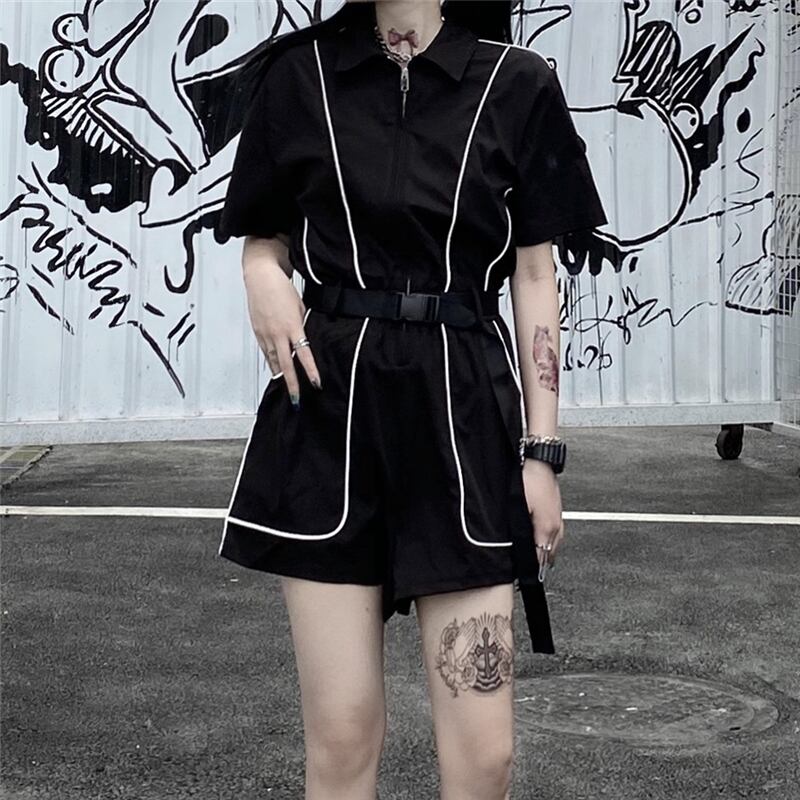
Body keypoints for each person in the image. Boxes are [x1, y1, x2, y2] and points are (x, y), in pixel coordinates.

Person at [216, 1, 608, 797]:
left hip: (464, 419)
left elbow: (535, 276)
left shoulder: (517, 81)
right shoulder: (299, 76)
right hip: (330, 412)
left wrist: (541, 455)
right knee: (342, 736)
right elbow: (265, 234)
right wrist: (260, 272)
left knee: (485, 754)